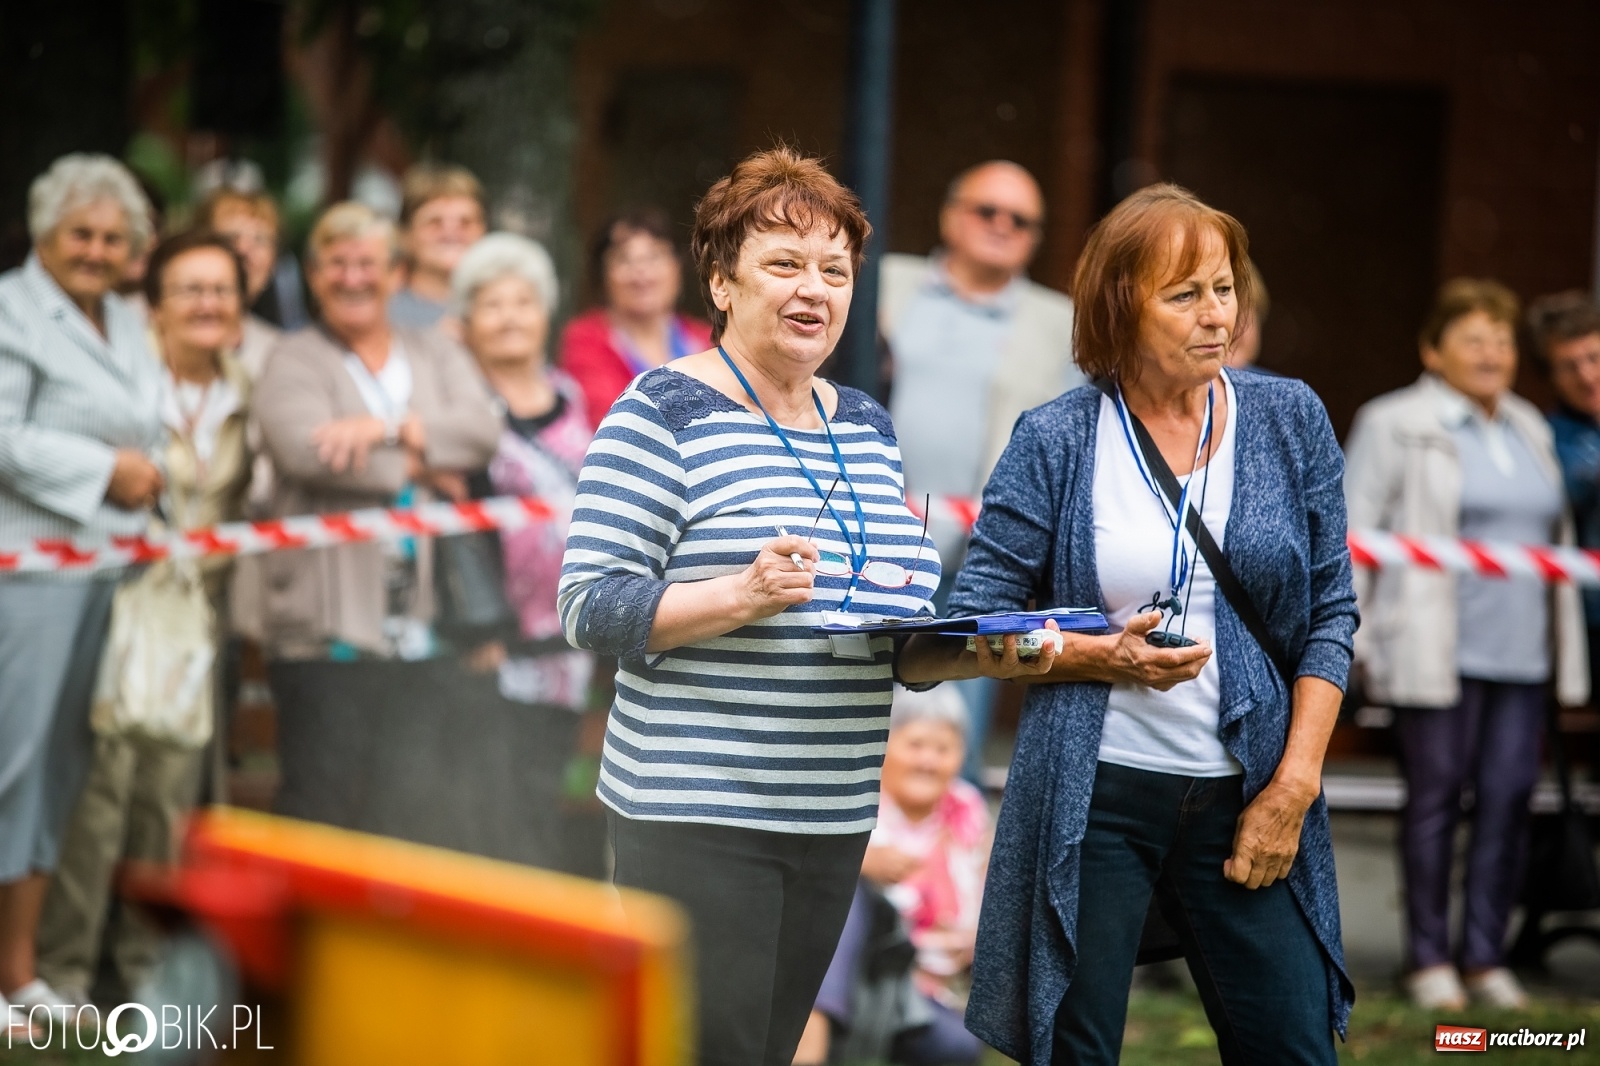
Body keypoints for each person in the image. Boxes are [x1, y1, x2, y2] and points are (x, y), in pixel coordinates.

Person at [557, 147, 1054, 1066]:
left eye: (835, 269)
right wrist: (738, 595)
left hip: (831, 816)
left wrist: (982, 648)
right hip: (697, 810)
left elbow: (886, 630)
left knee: (776, 1047)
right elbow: (589, 605)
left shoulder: (864, 425)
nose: (813, 289)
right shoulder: (660, 410)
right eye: (784, 264)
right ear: (721, 282)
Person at [899, 183, 1359, 1064]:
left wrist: (1295, 785)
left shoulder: (1289, 417)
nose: (1216, 315)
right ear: (1120, 305)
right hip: (1095, 797)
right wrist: (1094, 656)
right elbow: (959, 636)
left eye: (1224, 288)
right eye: (1183, 295)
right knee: (1077, 1050)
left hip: (1251, 792)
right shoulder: (1057, 438)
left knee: (1294, 1045)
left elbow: (1331, 613)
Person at [1346, 279, 1587, 1012]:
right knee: (1435, 801)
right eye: (1474, 339)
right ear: (1433, 350)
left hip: (1523, 654)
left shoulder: (1529, 426)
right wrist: (1351, 640)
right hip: (1432, 648)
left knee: (1509, 802)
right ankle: (1428, 961)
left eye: (1502, 340)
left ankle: (1484, 959)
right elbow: (1354, 534)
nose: (1492, 354)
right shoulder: (1394, 421)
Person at [36, 230, 254, 1003]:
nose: (207, 303)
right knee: (98, 796)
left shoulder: (246, 391)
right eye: (189, 289)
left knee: (167, 804)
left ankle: (140, 984)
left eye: (222, 289)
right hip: (110, 606)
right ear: (153, 305)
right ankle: (63, 976)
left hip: (193, 622)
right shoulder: (121, 387)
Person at [252, 201, 499, 840]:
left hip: (421, 628)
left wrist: (382, 429)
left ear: (395, 273)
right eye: (336, 263)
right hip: (324, 627)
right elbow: (306, 450)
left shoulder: (432, 349)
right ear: (313, 276)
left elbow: (481, 432)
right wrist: (422, 462)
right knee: (322, 802)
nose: (353, 277)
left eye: (368, 263)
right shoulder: (292, 357)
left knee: (406, 808)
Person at [0, 154, 163, 1028]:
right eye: (81, 234)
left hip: (104, 569)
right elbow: (5, 435)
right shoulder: (10, 308)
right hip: (25, 572)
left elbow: (146, 423)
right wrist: (107, 471)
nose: (97, 251)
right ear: (44, 232)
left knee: (58, 769)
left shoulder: (125, 319)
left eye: (112, 237)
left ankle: (19, 975)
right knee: (11, 765)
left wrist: (146, 479)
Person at [879, 160, 1084, 784]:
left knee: (951, 733)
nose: (1002, 226)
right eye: (986, 210)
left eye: (1021, 220)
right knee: (859, 716)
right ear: (949, 216)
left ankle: (948, 844)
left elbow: (1070, 439)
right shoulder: (886, 284)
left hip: (983, 556)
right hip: (873, 544)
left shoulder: (1058, 322)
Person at [451, 232, 596, 867]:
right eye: (492, 304)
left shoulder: (573, 397)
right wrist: (476, 624)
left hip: (566, 641)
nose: (510, 317)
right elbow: (452, 526)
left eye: (523, 301)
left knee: (543, 794)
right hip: (492, 644)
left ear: (545, 313)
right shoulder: (459, 407)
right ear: (468, 323)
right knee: (492, 812)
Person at [797, 685, 990, 1066]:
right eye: (916, 744)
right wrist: (859, 860)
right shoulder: (857, 800)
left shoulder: (967, 809)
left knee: (959, 1046)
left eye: (943, 749)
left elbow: (989, 902)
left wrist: (976, 939)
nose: (928, 761)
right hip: (855, 976)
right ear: (885, 744)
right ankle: (810, 1045)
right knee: (853, 889)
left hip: (922, 989)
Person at [559, 207, 713, 428]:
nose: (641, 271)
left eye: (654, 256)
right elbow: (610, 419)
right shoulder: (585, 340)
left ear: (678, 267)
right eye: (624, 259)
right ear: (603, 274)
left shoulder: (709, 339)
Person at [1531, 291, 1600, 698]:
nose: (1587, 375)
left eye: (1594, 358)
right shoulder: (1546, 437)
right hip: (1588, 619)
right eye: (1570, 366)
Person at [195, 188, 282, 380]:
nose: (244, 250)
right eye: (230, 238)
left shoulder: (280, 352)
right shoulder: (148, 325)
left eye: (260, 240)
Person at [389, 163, 487, 331]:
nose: (451, 231)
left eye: (465, 222)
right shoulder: (381, 313)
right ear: (405, 235)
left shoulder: (504, 313)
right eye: (435, 222)